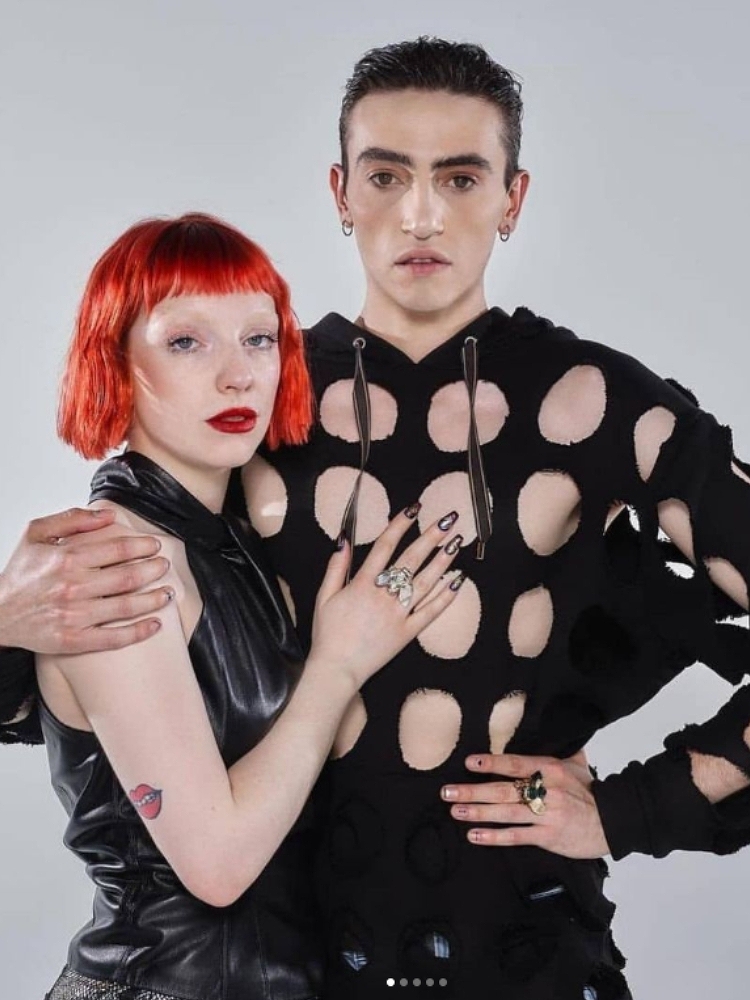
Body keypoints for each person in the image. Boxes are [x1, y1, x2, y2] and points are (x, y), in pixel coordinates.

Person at [1, 36, 750, 999]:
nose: (421, 214)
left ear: (513, 199)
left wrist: (630, 809)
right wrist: (10, 617)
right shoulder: (257, 401)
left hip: (528, 953)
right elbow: (129, 699)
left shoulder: (600, 402)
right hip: (298, 967)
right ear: (341, 192)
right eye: (387, 176)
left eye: (461, 178)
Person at [27, 211, 463, 1000]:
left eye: (259, 339)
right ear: (115, 360)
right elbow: (219, 865)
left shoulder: (232, 541)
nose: (238, 376)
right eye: (185, 342)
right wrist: (338, 665)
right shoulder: (114, 562)